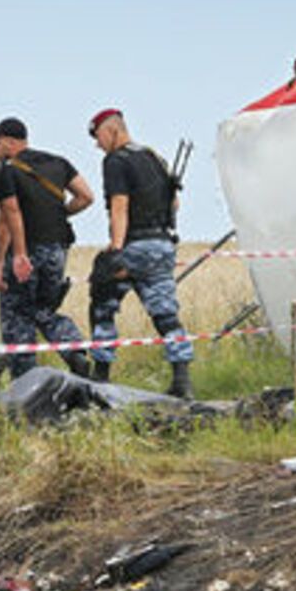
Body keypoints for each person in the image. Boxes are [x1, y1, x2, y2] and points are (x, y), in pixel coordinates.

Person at [87, 108, 193, 398]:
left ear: (112, 131)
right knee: (166, 314)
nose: (97, 145)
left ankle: (100, 376)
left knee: (102, 304)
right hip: (162, 245)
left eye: (98, 137)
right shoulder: (154, 157)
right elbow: (175, 204)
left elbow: (119, 205)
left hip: (134, 245)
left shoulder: (115, 161)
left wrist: (116, 249)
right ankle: (182, 381)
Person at [0, 116, 95, 380]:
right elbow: (85, 196)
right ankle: (74, 351)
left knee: (16, 315)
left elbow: (8, 217)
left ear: (10, 142)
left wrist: (2, 263)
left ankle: (25, 381)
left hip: (25, 252)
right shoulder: (59, 163)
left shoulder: (7, 171)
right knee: (43, 310)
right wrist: (60, 214)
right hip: (58, 249)